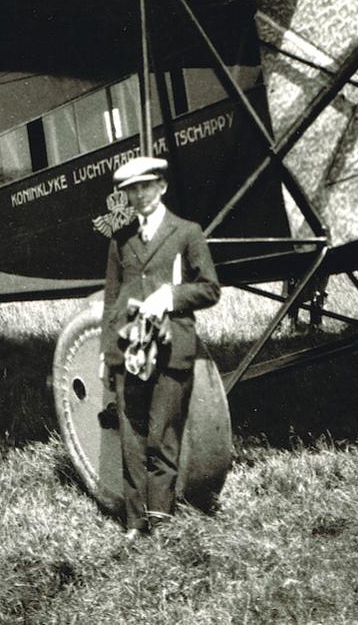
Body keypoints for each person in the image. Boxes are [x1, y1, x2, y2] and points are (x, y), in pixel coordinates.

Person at [100, 156, 220, 539]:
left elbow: (209, 289)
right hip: (130, 351)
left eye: (145, 186)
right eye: (131, 190)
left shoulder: (187, 232)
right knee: (132, 440)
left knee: (162, 437)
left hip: (170, 350)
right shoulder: (121, 241)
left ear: (162, 187)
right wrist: (107, 352)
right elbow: (111, 299)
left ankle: (161, 521)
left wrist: (171, 295)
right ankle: (135, 524)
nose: (139, 196)